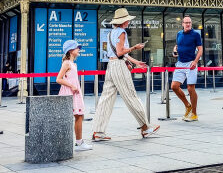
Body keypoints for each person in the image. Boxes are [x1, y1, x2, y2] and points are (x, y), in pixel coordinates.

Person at [91, 8, 159, 141]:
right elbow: (121, 52)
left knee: (106, 97)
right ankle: (145, 127)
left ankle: (98, 131)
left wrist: (136, 62)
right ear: (123, 22)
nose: (128, 21)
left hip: (111, 66)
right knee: (130, 95)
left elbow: (118, 54)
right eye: (127, 19)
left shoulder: (111, 33)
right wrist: (135, 47)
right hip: (119, 67)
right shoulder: (122, 32)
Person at [57, 39, 92, 151]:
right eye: (77, 48)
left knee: (79, 116)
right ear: (71, 50)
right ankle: (78, 143)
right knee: (77, 116)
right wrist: (71, 86)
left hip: (74, 92)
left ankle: (78, 142)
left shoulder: (72, 64)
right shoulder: (67, 63)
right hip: (70, 92)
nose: (79, 50)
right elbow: (58, 79)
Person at [171, 16, 203, 122]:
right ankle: (187, 105)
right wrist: (175, 52)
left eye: (189, 22)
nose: (188, 24)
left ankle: (194, 114)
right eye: (186, 22)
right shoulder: (179, 34)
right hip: (180, 63)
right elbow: (178, 47)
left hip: (191, 63)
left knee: (190, 88)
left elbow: (200, 49)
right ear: (182, 24)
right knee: (174, 86)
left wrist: (195, 61)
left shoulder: (195, 35)